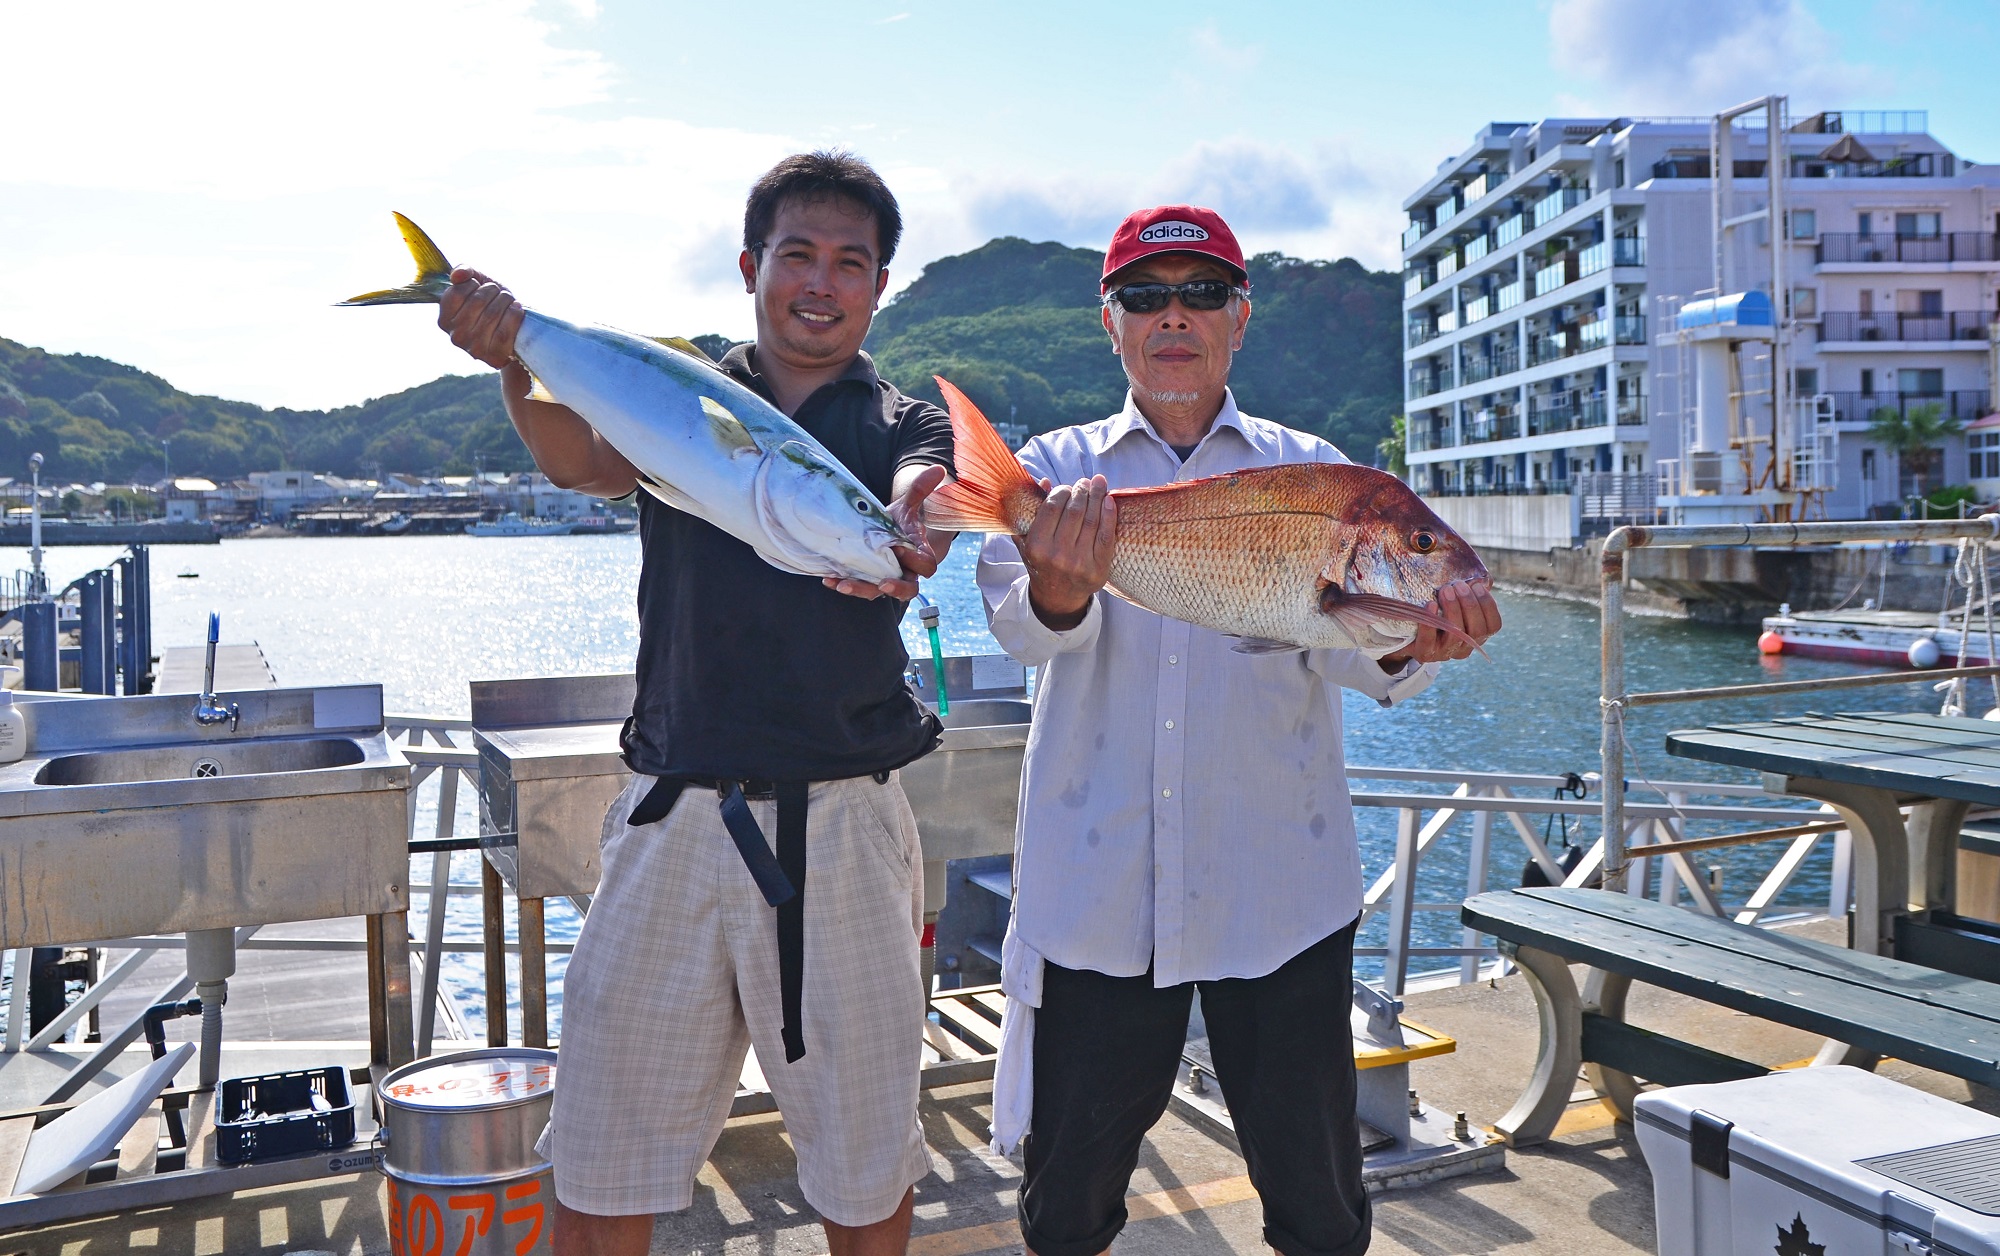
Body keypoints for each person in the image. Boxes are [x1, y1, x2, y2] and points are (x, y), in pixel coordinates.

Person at [434, 151, 956, 1256]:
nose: (820, 281)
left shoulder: (909, 422)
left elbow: (922, 496)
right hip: (672, 811)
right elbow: (581, 462)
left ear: (878, 285)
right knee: (600, 1157)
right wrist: (507, 361)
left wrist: (908, 523)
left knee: (865, 1171)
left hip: (844, 825)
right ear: (750, 265)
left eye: (849, 262)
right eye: (796, 254)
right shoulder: (676, 392)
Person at [976, 204, 1501, 1256]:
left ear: (1240, 318)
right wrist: (1058, 587)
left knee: (1317, 1203)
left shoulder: (1314, 470)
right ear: (1110, 322)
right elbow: (1020, 632)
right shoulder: (1054, 470)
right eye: (1145, 294)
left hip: (1278, 900)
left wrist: (1412, 642)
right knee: (1065, 1204)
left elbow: (1357, 656)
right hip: (1096, 895)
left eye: (1201, 292)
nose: (1174, 315)